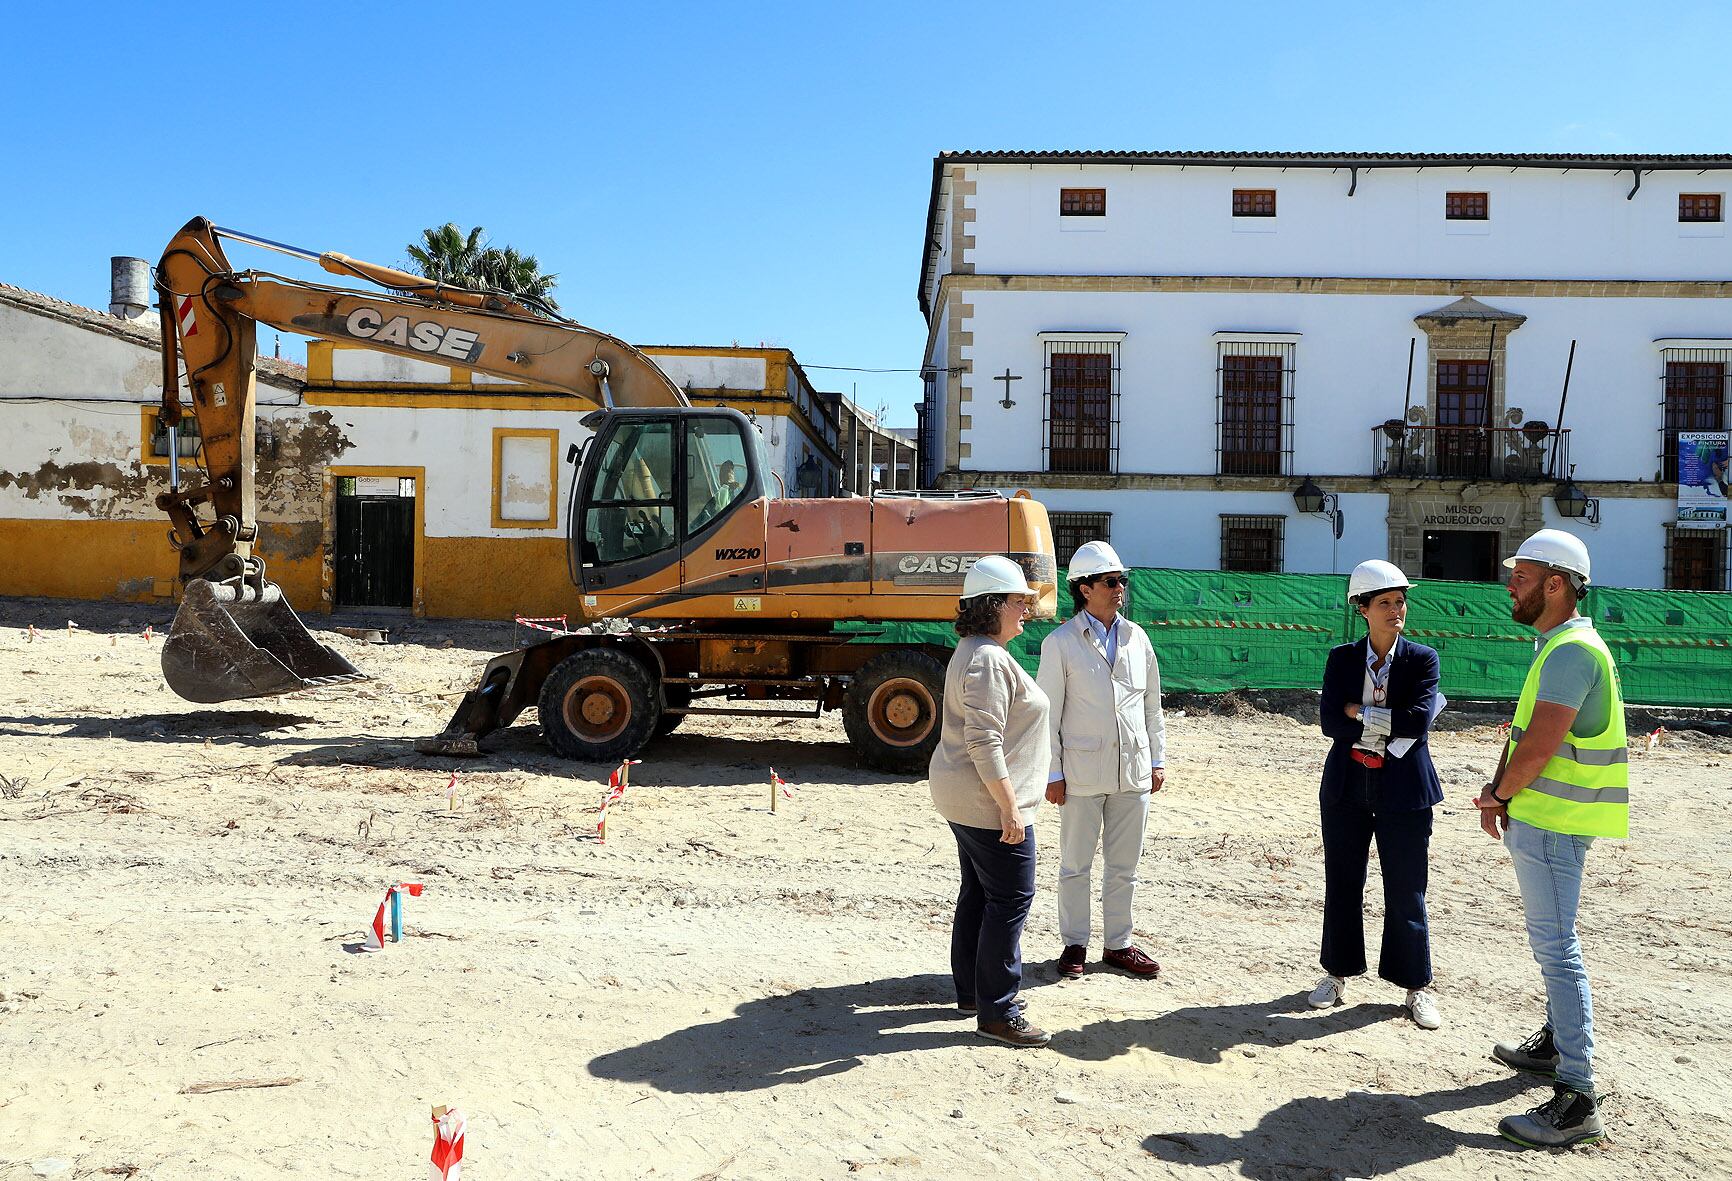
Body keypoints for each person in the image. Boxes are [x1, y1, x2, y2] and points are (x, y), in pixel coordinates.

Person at [1473, 529, 1627, 1151]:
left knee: (1557, 947)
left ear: (1556, 585)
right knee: (1554, 944)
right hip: (1546, 819)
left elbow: (1538, 746)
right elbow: (1525, 735)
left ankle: (1578, 1093)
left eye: (1523, 576)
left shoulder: (1569, 651)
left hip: (1555, 824)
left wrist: (1501, 793)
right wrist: (1499, 788)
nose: (1511, 584)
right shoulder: (1561, 645)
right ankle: (1557, 1046)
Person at [1310, 560, 1444, 1029]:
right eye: (1385, 603)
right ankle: (1336, 974)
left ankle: (1415, 987)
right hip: (1348, 785)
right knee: (1342, 882)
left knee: (1406, 888)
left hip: (1404, 789)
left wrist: (1359, 712)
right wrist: (1381, 715)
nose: (1396, 610)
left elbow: (1418, 720)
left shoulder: (1422, 659)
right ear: (1362, 609)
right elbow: (1329, 722)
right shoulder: (1341, 659)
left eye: (1400, 601)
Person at [928, 555, 1052, 1048]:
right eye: (1019, 600)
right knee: (1011, 898)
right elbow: (985, 741)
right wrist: (1010, 807)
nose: (1027, 608)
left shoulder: (974, 649)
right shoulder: (987, 659)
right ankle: (998, 1010)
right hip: (986, 801)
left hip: (963, 796)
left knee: (980, 892)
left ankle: (972, 994)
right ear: (993, 604)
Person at [1037, 541, 1166, 981]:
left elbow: (1151, 705)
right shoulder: (1061, 643)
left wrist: (1157, 760)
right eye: (1110, 581)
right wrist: (1052, 773)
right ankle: (1074, 943)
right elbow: (1048, 714)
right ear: (1084, 588)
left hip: (1132, 770)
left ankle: (1119, 945)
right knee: (1076, 865)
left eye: (1122, 581)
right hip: (1080, 774)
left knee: (1125, 866)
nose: (1119, 589)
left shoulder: (1137, 638)